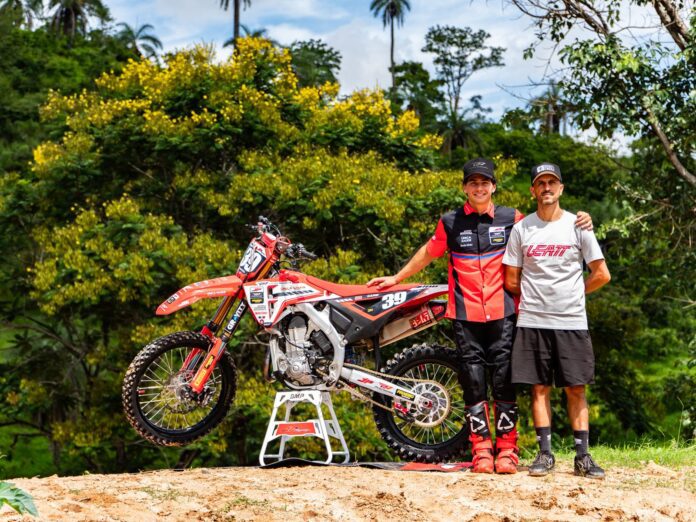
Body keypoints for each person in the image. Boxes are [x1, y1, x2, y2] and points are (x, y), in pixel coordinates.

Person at [367, 158, 593, 474]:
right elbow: (429, 251)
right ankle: (481, 450)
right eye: (473, 182)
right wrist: (396, 278)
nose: (479, 187)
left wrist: (581, 219)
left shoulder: (512, 218)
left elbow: (545, 223)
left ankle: (508, 450)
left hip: (504, 313)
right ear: (465, 188)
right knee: (473, 383)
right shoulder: (450, 222)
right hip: (465, 314)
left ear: (493, 186)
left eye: (484, 182)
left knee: (504, 382)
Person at [502, 162, 611, 479]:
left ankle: (583, 457)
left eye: (552, 182)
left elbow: (601, 274)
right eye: (541, 183)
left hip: (572, 321)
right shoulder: (522, 229)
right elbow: (511, 279)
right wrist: (538, 297)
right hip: (533, 321)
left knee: (576, 389)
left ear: (561, 188)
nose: (546, 187)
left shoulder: (579, 225)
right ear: (533, 190)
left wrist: (574, 292)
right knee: (539, 389)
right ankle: (545, 454)